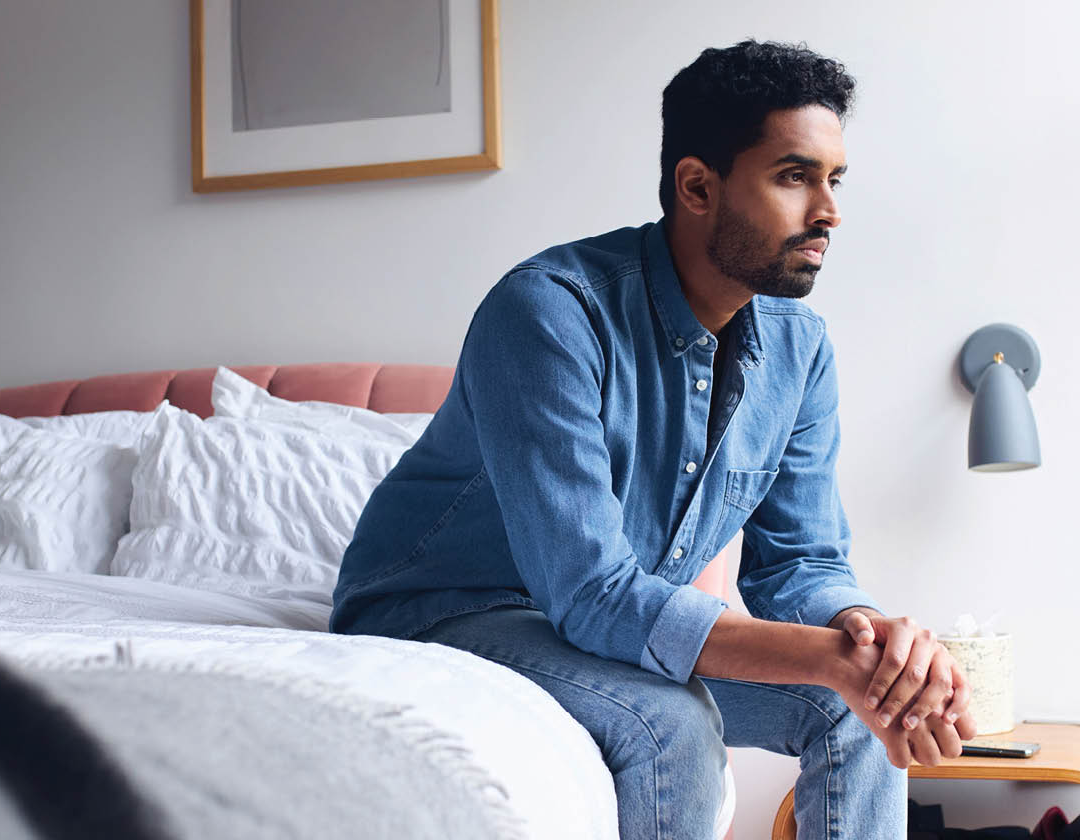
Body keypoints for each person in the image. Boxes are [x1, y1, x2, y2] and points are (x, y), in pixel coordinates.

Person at [331, 39, 978, 840]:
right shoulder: (548, 314)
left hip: (597, 625)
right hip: (446, 611)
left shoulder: (801, 349)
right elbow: (590, 591)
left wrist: (867, 640)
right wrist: (823, 657)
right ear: (698, 186)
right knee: (669, 724)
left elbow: (802, 562)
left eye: (834, 180)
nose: (829, 212)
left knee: (858, 704)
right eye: (793, 176)